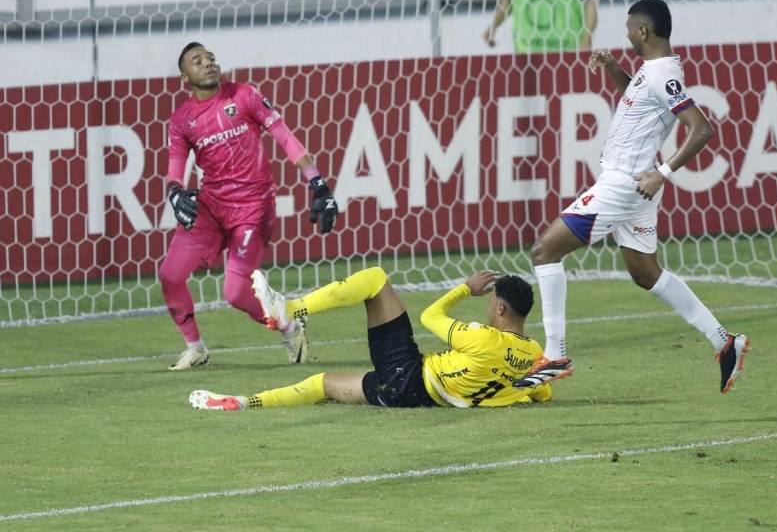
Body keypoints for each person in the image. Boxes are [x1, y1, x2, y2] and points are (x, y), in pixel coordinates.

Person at [514, 0, 750, 394]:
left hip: (624, 185)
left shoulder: (663, 75)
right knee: (645, 273)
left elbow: (701, 128)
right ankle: (724, 341)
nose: (625, 34)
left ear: (643, 31)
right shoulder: (650, 72)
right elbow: (640, 102)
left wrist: (663, 173)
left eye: (628, 27)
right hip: (634, 187)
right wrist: (613, 70)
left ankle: (555, 353)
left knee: (544, 251)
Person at [160, 42, 338, 371]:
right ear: (185, 76)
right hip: (211, 207)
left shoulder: (243, 95)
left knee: (236, 293)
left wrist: (317, 182)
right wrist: (174, 192)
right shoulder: (182, 120)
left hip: (252, 207)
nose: (208, 64)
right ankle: (195, 348)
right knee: (170, 275)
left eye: (211, 58)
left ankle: (289, 326)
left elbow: (284, 135)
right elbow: (174, 168)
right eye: (198, 62)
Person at [189, 267, 553, 410]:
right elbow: (540, 390)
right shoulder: (532, 356)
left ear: (501, 309)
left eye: (491, 303)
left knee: (376, 280)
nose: (488, 308)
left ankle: (291, 309)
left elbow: (430, 317)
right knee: (323, 384)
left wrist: (463, 289)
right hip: (411, 397)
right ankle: (243, 402)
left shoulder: (484, 338)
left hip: (409, 374)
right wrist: (544, 382)